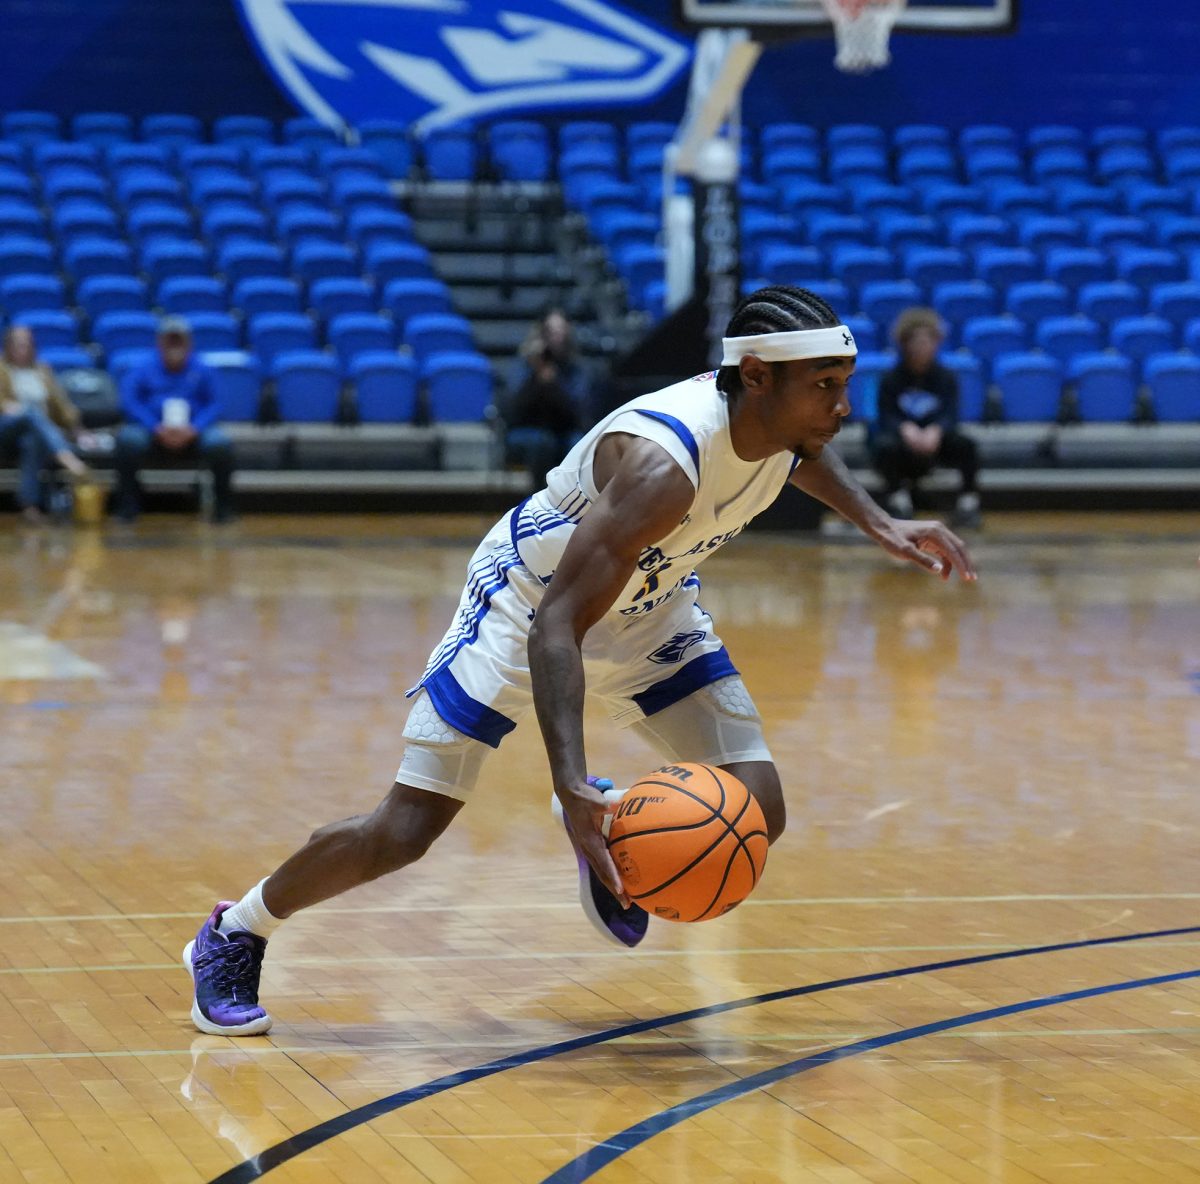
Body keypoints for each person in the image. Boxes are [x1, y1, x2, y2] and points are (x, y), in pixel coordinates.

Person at [182, 286, 976, 1036]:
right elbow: (556, 624)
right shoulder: (664, 466)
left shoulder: (777, 416)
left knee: (756, 809)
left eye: (846, 381)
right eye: (827, 384)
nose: (843, 405)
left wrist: (882, 523)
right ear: (759, 378)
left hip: (649, 603)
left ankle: (612, 822)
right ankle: (235, 931)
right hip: (528, 600)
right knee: (406, 829)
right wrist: (568, 774)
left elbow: (802, 448)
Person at [113, 316, 234, 523]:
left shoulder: (204, 369)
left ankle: (223, 507)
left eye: (179, 340)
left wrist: (194, 428)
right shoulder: (143, 368)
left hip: (194, 431)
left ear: (189, 343)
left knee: (220, 444)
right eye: (170, 340)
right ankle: (127, 505)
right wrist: (155, 427)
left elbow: (216, 404)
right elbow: (130, 402)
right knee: (128, 441)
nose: (174, 346)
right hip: (152, 430)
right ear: (160, 342)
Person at [870, 308, 981, 528]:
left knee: (967, 445)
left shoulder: (946, 378)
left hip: (936, 440)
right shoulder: (890, 379)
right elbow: (886, 414)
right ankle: (898, 501)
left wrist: (936, 430)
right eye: (916, 341)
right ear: (905, 343)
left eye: (928, 341)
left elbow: (950, 412)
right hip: (903, 441)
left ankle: (968, 503)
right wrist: (905, 428)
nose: (923, 347)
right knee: (883, 446)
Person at [0, 325, 91, 523]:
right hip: (5, 429)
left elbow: (60, 404)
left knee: (32, 441)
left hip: (35, 433)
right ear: (8, 346)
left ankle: (29, 505)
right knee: (30, 412)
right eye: (17, 344)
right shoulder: (1, 369)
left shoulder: (42, 370)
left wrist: (77, 428)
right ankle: (65, 456)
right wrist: (6, 406)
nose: (22, 349)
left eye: (26, 344)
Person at [504, 308, 596, 488]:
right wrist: (535, 372)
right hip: (527, 429)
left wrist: (554, 384)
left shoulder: (576, 369)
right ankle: (539, 499)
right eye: (552, 332)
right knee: (543, 443)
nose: (557, 337)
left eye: (561, 331)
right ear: (541, 334)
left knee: (578, 443)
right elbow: (512, 407)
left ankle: (573, 502)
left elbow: (579, 410)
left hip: (565, 431)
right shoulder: (525, 364)